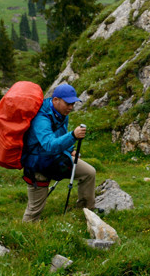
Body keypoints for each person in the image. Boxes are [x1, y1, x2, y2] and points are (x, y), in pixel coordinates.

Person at [21, 83, 97, 222]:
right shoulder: (41, 119)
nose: (71, 107)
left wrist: (71, 150)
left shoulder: (62, 113)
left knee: (89, 173)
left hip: (57, 159)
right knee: (34, 210)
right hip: (38, 165)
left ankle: (86, 212)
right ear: (55, 100)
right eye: (68, 103)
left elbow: (60, 135)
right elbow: (49, 145)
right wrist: (73, 136)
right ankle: (24, 234)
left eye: (73, 103)